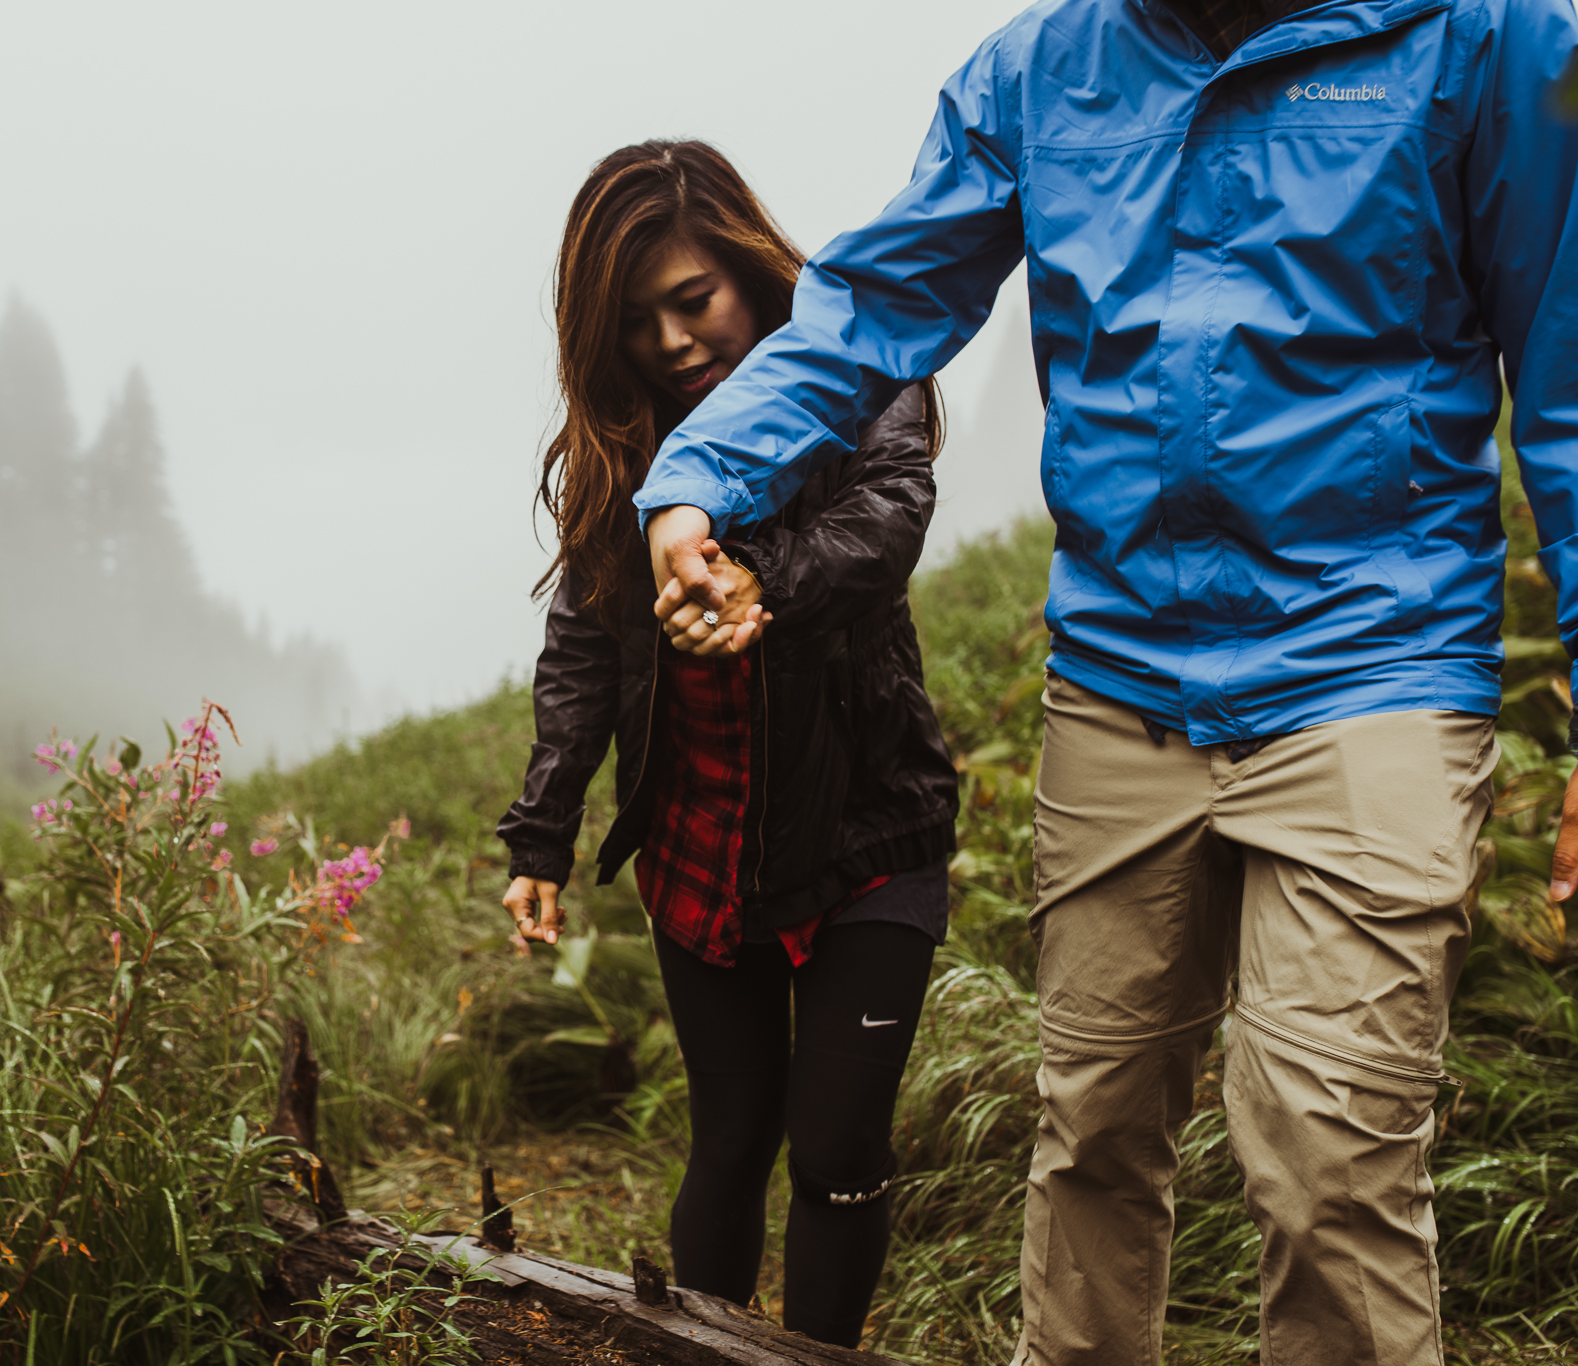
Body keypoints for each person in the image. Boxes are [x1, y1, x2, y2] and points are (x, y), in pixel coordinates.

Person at [636, 2, 1578, 1364]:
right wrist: (694, 493)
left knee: (1328, 1157)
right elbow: (869, 306)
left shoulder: (1490, 45)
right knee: (1090, 1140)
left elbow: (1565, 385)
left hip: (1375, 665)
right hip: (1121, 680)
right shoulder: (1039, 73)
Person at [494, 140, 960, 1349]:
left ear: (750, 272)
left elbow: (889, 517)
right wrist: (541, 832)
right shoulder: (618, 448)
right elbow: (585, 652)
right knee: (731, 1136)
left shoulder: (857, 369)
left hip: (870, 835)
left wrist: (758, 578)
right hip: (701, 854)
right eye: (636, 319)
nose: (670, 339)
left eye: (691, 300)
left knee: (839, 1147)